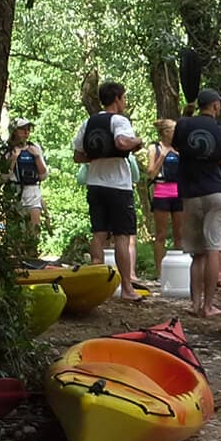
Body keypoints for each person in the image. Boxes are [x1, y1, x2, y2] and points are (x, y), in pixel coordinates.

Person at [72, 82, 144, 299]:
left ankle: (96, 288)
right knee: (122, 236)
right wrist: (137, 141)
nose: (125, 102)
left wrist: (98, 156)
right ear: (117, 99)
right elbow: (121, 142)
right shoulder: (119, 120)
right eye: (124, 98)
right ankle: (127, 289)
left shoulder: (88, 123)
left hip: (95, 184)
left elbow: (77, 156)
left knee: (99, 233)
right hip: (118, 186)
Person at [171, 88, 221, 316]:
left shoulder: (183, 125)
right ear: (215, 106)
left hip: (190, 193)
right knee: (213, 248)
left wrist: (186, 115)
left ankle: (194, 304)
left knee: (197, 253)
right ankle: (208, 306)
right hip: (215, 192)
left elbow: (176, 146)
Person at [5, 117, 46, 252]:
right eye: (22, 129)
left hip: (33, 192)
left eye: (28, 129)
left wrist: (37, 157)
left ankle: (32, 254)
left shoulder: (35, 148)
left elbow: (43, 175)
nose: (26, 132)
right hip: (15, 192)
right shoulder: (8, 150)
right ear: (14, 131)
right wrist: (13, 159)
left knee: (34, 230)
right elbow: (3, 177)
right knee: (15, 233)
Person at [147, 118, 183, 270]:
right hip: (162, 193)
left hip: (179, 193)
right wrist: (162, 156)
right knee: (161, 234)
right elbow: (151, 173)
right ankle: (160, 271)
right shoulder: (154, 148)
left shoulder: (180, 148)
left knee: (179, 234)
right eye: (174, 130)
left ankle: (179, 268)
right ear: (166, 132)